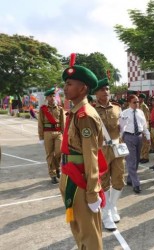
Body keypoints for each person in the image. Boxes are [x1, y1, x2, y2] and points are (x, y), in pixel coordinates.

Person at [59, 55, 105, 249]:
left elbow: (91, 154)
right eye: (65, 84)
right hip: (69, 173)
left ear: (83, 88)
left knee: (88, 231)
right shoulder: (75, 112)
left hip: (80, 179)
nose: (65, 88)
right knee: (77, 227)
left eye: (70, 84)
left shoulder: (85, 115)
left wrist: (93, 190)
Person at [92, 77, 124, 231]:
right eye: (102, 89)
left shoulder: (117, 108)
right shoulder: (92, 110)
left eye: (107, 89)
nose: (105, 92)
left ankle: (112, 206)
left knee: (119, 180)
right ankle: (106, 215)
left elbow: (121, 128)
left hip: (117, 148)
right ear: (96, 93)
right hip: (101, 149)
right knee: (104, 182)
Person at [120, 95, 151, 194]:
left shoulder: (141, 112)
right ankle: (136, 184)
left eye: (138, 102)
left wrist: (148, 136)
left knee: (137, 160)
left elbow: (144, 125)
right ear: (129, 102)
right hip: (129, 137)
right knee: (131, 160)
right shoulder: (124, 113)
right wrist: (120, 139)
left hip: (139, 137)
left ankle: (130, 179)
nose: (137, 104)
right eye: (134, 102)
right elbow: (121, 127)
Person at [38, 87, 65, 184]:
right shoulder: (43, 109)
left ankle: (57, 168)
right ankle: (53, 174)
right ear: (47, 98)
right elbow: (40, 124)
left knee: (59, 152)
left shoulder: (60, 109)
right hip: (47, 133)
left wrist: (64, 134)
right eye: (50, 96)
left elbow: (63, 122)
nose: (52, 98)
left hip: (58, 133)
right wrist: (41, 137)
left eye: (53, 96)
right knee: (49, 154)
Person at [138, 93, 150, 164]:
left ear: (143, 99)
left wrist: (145, 128)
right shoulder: (139, 106)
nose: (139, 99)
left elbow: (146, 118)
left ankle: (146, 157)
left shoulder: (144, 106)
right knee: (142, 143)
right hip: (140, 127)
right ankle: (143, 156)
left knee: (145, 143)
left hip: (144, 126)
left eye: (140, 98)